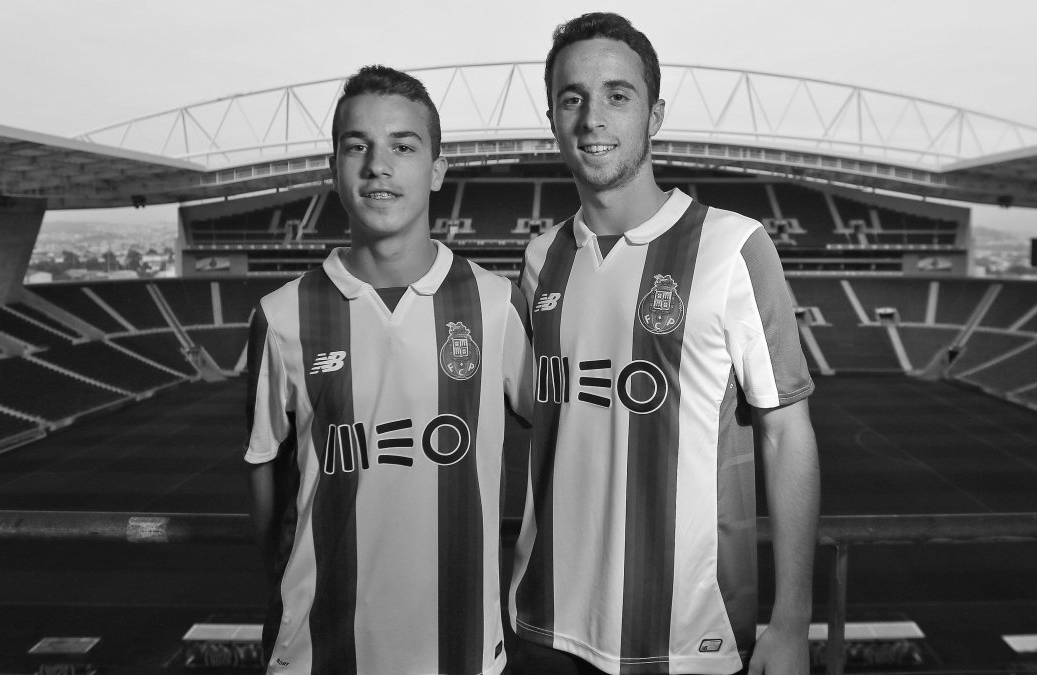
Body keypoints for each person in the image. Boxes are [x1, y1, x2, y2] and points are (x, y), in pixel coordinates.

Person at [508, 13, 820, 675]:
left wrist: (792, 619)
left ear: (654, 115)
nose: (593, 118)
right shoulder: (540, 258)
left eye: (618, 95)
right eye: (572, 98)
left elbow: (786, 434)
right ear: (552, 117)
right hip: (544, 624)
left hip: (688, 639)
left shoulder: (733, 246)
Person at [245, 64, 532, 675]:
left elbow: (567, 437)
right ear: (334, 168)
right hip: (316, 653)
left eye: (403, 146)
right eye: (358, 146)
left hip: (463, 651)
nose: (378, 165)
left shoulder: (496, 305)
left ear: (437, 171)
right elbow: (263, 466)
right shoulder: (281, 315)